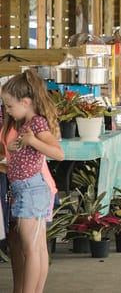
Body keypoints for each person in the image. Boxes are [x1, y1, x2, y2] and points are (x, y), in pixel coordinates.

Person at [0, 70, 65, 293]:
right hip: (25, 189)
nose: (7, 110)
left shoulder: (36, 124)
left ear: (26, 102)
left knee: (32, 249)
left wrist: (32, 141)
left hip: (31, 189)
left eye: (9, 106)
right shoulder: (25, 125)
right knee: (35, 248)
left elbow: (58, 153)